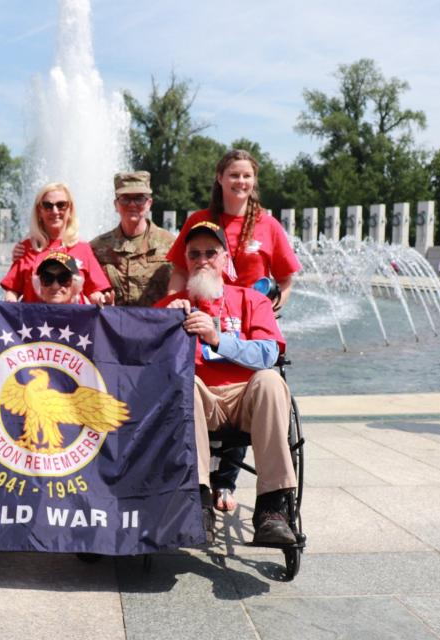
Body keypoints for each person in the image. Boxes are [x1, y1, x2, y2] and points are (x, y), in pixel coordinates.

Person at [165, 149, 301, 513]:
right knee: (186, 382)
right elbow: (180, 268)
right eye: (233, 175)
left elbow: (286, 279)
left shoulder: (268, 225)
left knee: (264, 379)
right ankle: (198, 493)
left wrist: (270, 307)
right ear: (219, 178)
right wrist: (170, 310)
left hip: (247, 314)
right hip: (198, 309)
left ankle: (262, 500)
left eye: (247, 175)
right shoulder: (201, 221)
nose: (240, 182)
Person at [156, 220, 297, 545]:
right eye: (194, 254)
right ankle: (199, 501)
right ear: (186, 262)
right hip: (196, 398)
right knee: (182, 385)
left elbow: (268, 353)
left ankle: (272, 508)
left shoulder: (251, 300)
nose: (202, 260)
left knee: (271, 382)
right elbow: (145, 363)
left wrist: (217, 339)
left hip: (245, 398)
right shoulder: (170, 305)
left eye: (211, 252)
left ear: (225, 260)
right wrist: (163, 324)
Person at [0, 182, 112, 304]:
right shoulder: (25, 248)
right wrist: (8, 304)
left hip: (74, 322)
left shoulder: (83, 248)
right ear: (39, 211)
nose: (54, 211)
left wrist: (101, 299)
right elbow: (12, 291)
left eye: (61, 205)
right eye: (47, 205)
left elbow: (94, 291)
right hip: (34, 322)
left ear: (70, 210)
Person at [89, 171, 175, 306]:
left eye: (139, 198)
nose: (132, 204)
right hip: (114, 325)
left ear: (149, 203)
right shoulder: (96, 248)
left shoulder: (170, 244)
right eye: (125, 198)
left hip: (157, 325)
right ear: (116, 205)